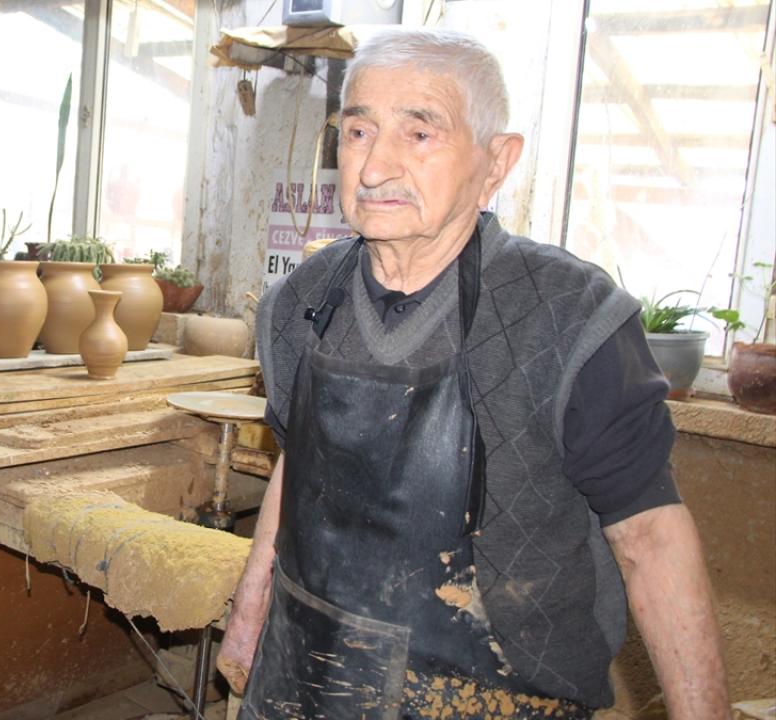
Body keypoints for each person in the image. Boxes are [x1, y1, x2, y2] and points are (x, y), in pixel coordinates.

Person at [218, 28, 728, 719]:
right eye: (359, 132)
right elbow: (297, 459)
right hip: (306, 676)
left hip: (491, 698)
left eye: (419, 134)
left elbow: (652, 540)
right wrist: (250, 612)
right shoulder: (298, 301)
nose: (374, 168)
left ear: (497, 162)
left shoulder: (569, 316)